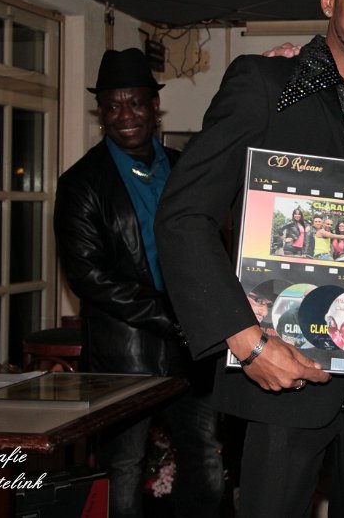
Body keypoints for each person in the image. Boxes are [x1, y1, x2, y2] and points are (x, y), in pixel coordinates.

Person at [154, 0, 344, 518]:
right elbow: (183, 216)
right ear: (328, 0)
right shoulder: (266, 83)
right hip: (284, 371)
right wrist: (246, 343)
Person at [53, 48, 223, 518]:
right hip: (123, 355)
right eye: (112, 106)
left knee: (205, 456)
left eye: (135, 103)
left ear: (154, 105)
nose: (125, 115)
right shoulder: (81, 183)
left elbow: (213, 245)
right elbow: (89, 276)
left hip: (195, 350)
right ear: (101, 112)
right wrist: (172, 317)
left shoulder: (185, 168)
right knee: (123, 466)